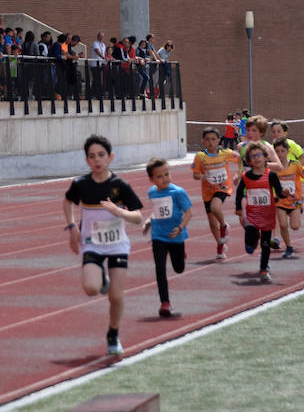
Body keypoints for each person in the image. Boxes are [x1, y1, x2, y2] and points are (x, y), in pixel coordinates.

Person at [63, 134, 144, 355]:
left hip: (117, 245)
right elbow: (68, 201)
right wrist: (72, 227)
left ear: (110, 157)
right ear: (87, 160)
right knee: (90, 288)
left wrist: (119, 211)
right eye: (91, 156)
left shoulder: (120, 185)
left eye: (101, 155)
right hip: (92, 244)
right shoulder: (81, 184)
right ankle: (102, 278)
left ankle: (113, 333)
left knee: (116, 297)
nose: (97, 160)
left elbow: (138, 217)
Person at [141, 158, 192, 317]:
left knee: (179, 268)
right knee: (160, 268)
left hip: (175, 235)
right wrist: (149, 220)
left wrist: (180, 228)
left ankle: (181, 253)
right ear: (151, 179)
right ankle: (165, 303)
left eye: (167, 174)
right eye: (160, 176)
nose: (165, 178)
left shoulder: (178, 192)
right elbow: (157, 210)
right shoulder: (152, 192)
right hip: (158, 235)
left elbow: (189, 214)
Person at [235, 142, 287, 283]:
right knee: (251, 234)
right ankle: (250, 241)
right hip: (252, 214)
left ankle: (264, 269)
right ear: (249, 161)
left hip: (267, 215)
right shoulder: (246, 176)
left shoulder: (271, 175)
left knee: (265, 245)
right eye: (253, 156)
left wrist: (285, 193)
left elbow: (280, 192)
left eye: (259, 155)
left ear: (265, 157)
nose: (256, 158)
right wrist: (238, 208)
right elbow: (239, 192)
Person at [192, 127, 239, 260]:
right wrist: (201, 177)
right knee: (212, 223)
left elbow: (241, 158)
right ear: (203, 141)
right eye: (207, 139)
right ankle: (220, 246)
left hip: (223, 187)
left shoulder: (225, 153)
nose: (210, 142)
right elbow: (195, 174)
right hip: (207, 191)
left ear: (219, 140)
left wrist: (238, 173)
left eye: (213, 139)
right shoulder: (200, 156)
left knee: (215, 207)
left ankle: (224, 225)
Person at [272, 138, 304, 259]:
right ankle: (289, 247)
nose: (280, 154)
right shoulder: (273, 168)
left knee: (295, 226)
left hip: (294, 201)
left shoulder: (295, 165)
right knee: (283, 225)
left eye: (282, 151)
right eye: (277, 151)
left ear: (287, 151)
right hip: (280, 201)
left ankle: (298, 210)